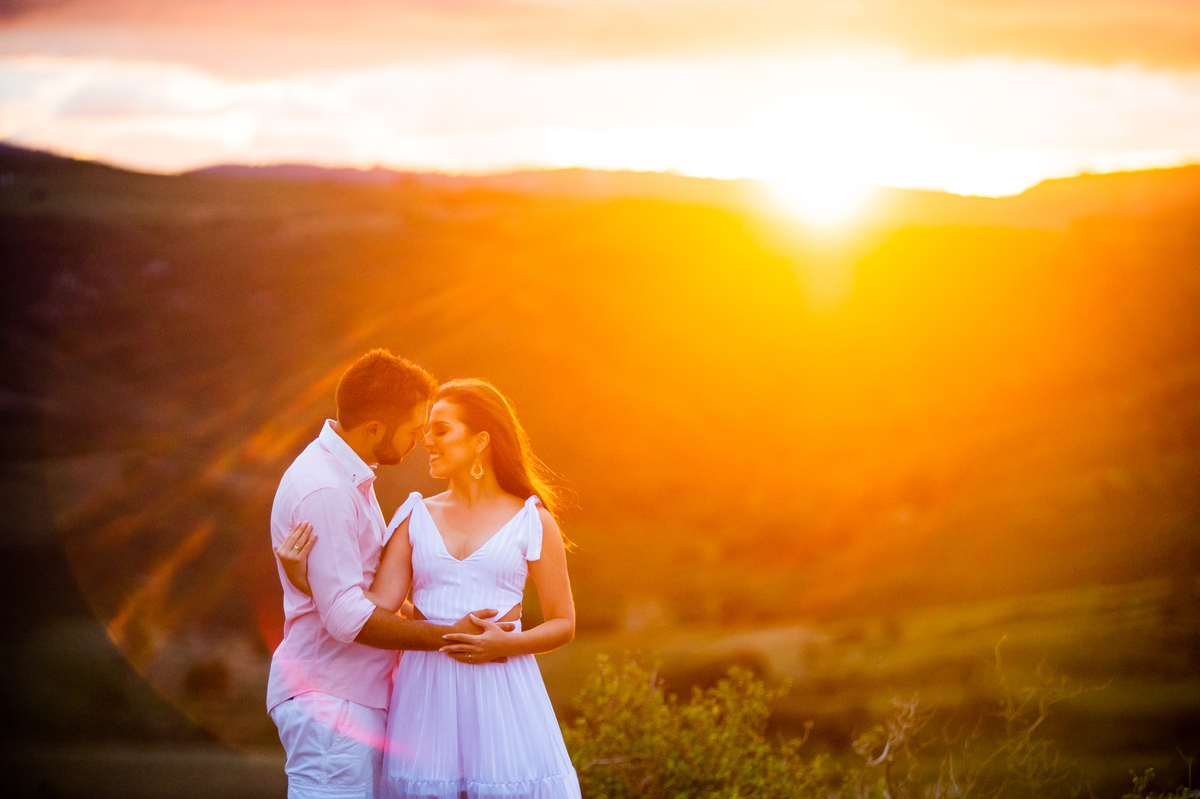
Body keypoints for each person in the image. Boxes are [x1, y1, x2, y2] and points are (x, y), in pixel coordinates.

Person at [278, 377, 581, 799]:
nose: (427, 442)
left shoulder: (533, 520)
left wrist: (506, 645)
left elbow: (563, 623)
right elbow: (375, 606)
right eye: (426, 430)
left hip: (502, 690)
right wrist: (309, 580)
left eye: (440, 430)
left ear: (480, 441)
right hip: (425, 693)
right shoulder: (413, 515)